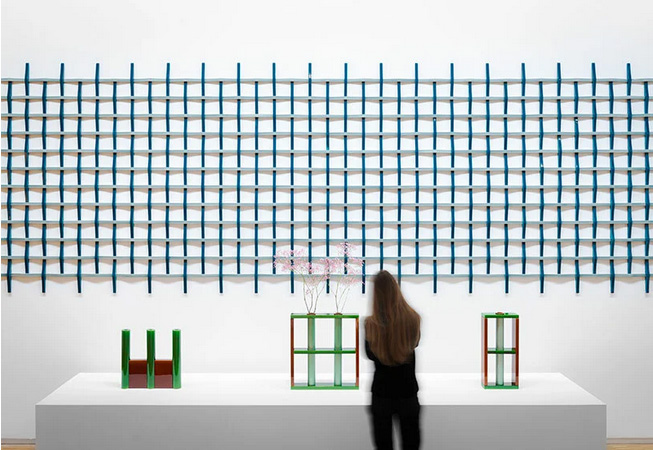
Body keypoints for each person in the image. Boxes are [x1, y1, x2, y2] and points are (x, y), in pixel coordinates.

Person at [365, 270, 421, 450]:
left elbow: (370, 355)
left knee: (383, 445)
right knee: (411, 444)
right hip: (407, 392)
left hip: (382, 394)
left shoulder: (370, 325)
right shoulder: (413, 319)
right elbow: (414, 343)